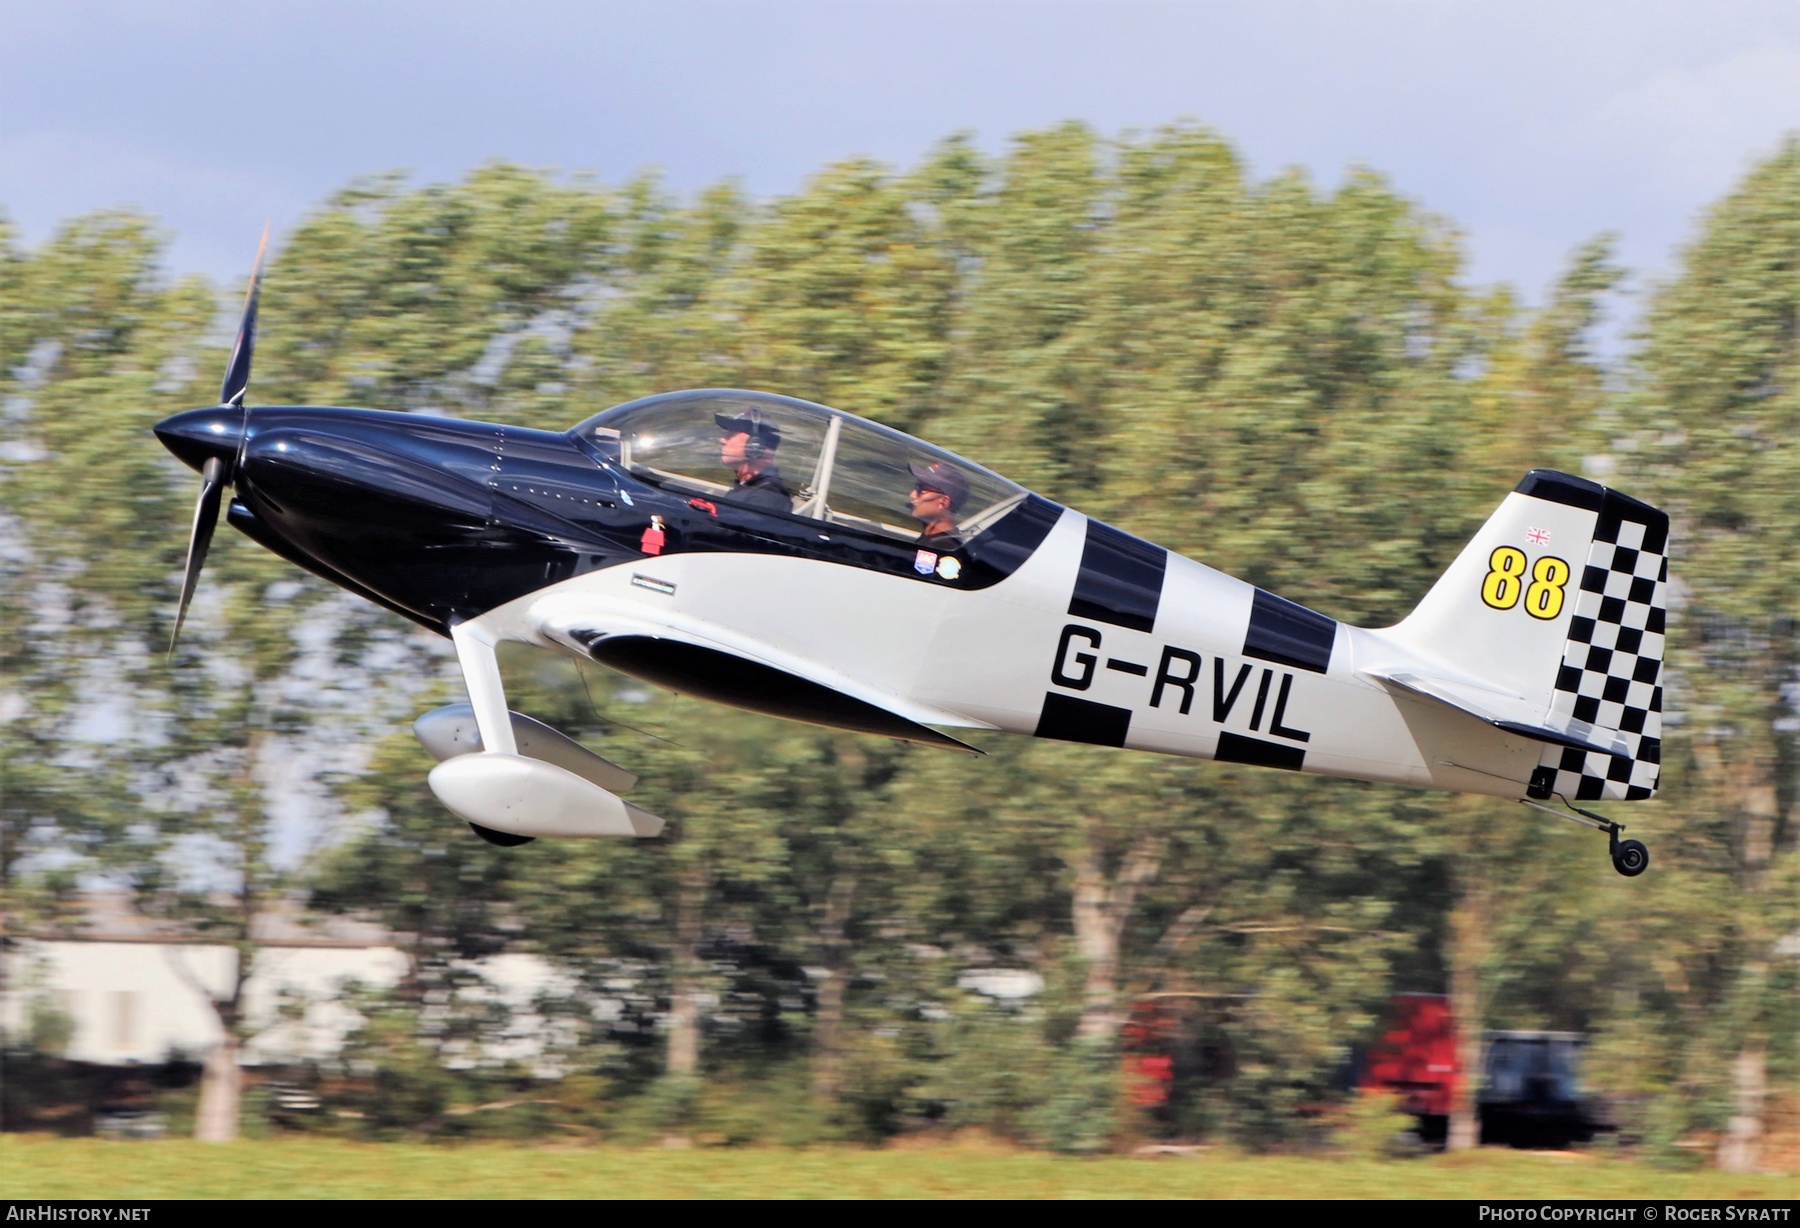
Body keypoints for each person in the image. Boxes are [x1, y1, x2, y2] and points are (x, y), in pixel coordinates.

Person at [715, 407, 793, 512]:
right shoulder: (747, 487)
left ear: (755, 446)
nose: (722, 440)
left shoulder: (767, 497)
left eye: (731, 435)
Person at [907, 460, 969, 552]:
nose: (912, 495)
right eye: (916, 487)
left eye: (922, 491)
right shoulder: (930, 538)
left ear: (943, 502)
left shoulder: (942, 549)